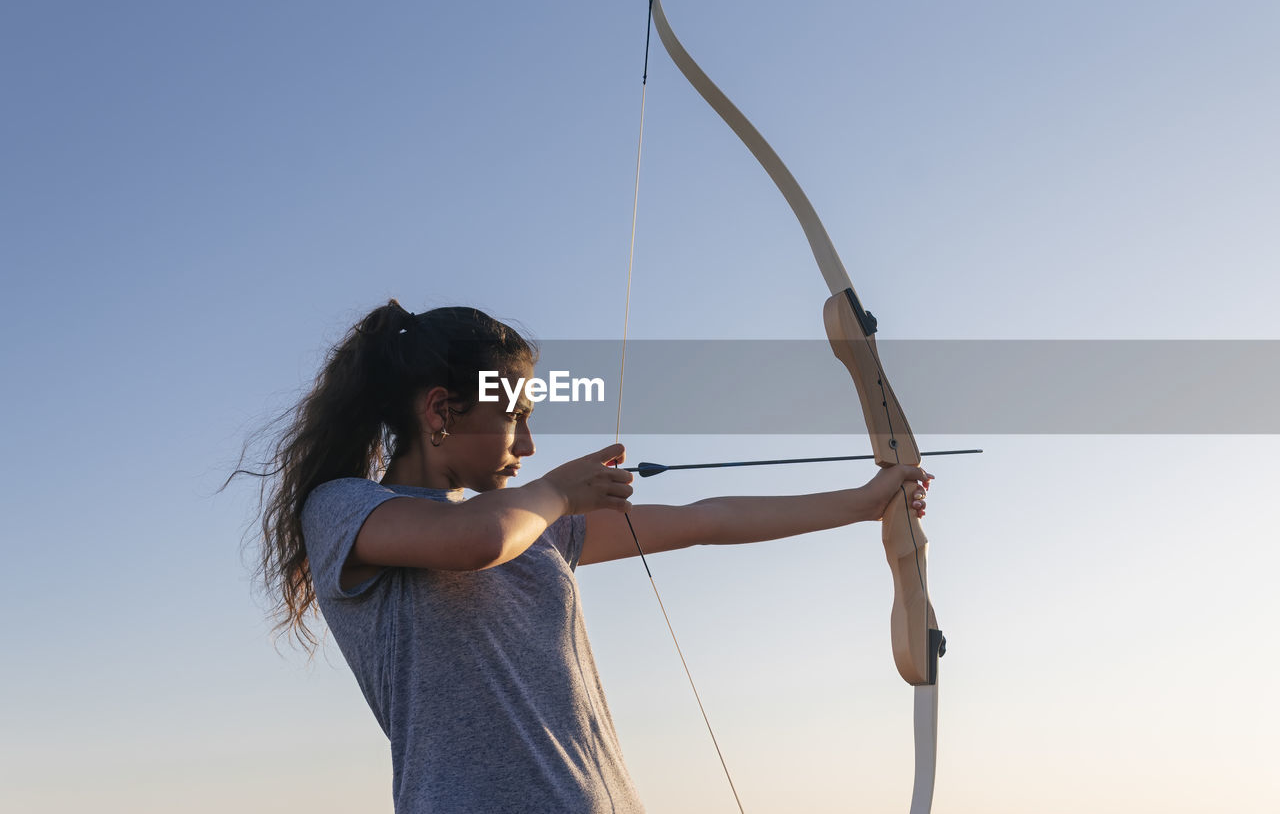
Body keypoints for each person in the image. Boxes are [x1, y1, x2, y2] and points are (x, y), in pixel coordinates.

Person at [243, 299, 931, 814]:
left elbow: (705, 520)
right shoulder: (344, 510)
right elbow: (477, 541)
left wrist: (868, 498)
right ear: (440, 411)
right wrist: (558, 492)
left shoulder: (538, 526)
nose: (530, 445)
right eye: (515, 417)